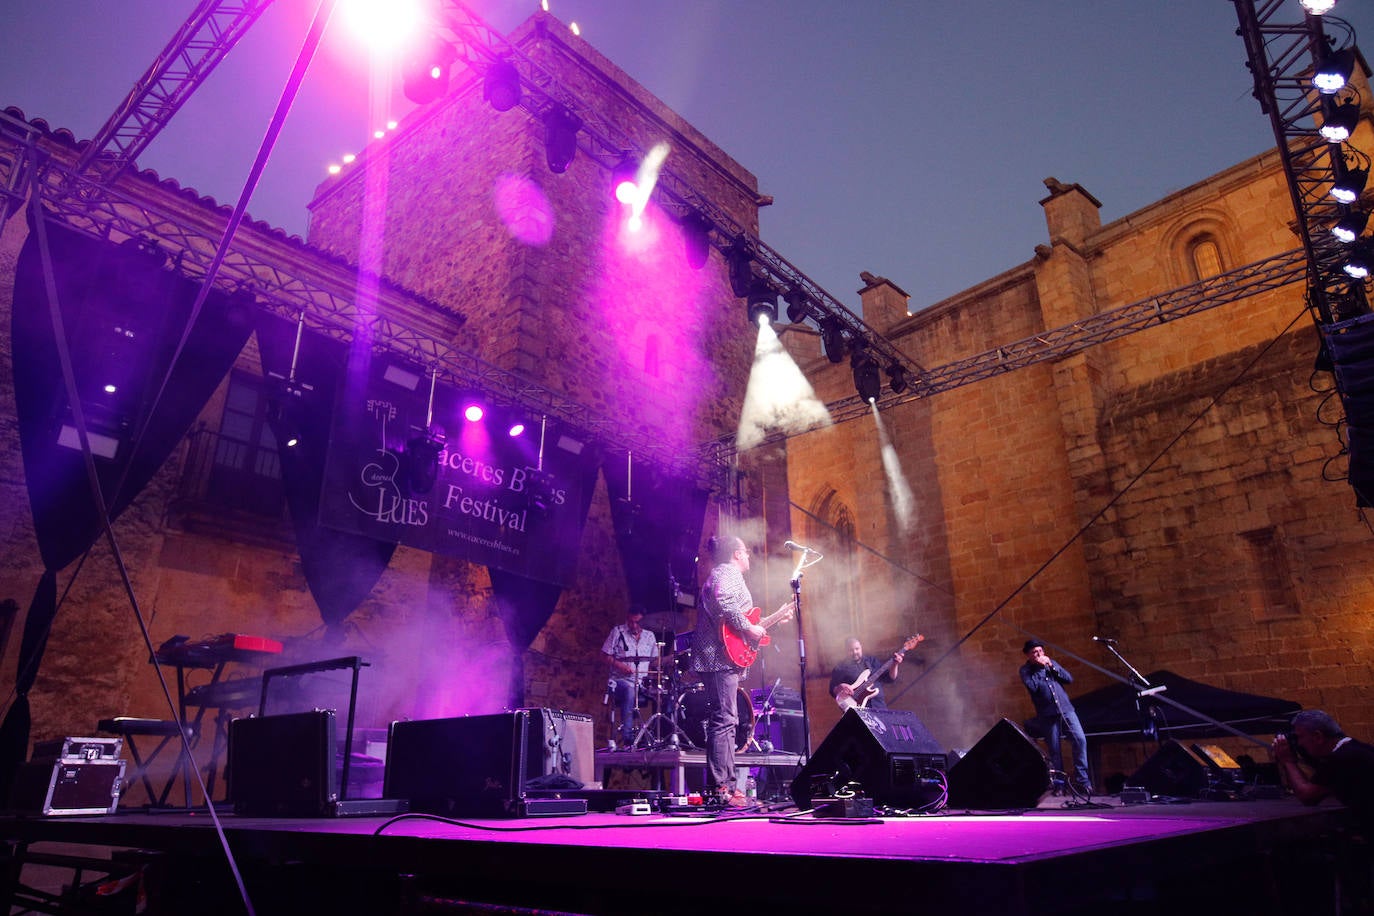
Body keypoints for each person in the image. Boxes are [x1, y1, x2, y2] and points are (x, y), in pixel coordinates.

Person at [692, 535, 792, 806]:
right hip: (718, 657)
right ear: (737, 554)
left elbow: (741, 621)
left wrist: (768, 623)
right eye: (746, 552)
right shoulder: (727, 573)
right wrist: (750, 628)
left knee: (727, 720)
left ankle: (727, 787)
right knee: (724, 719)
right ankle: (723, 788)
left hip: (722, 657)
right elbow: (724, 602)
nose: (749, 557)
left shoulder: (725, 574)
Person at [1272, 709, 1374, 835]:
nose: (1299, 743)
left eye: (1300, 737)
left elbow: (1307, 796)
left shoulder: (1342, 758)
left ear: (1318, 737)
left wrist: (1288, 761)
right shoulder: (1357, 749)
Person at [1019, 638, 1091, 795]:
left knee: (1080, 740)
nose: (1039, 654)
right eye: (1034, 652)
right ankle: (1060, 786)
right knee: (1054, 750)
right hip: (1047, 714)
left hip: (1066, 710)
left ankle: (1083, 782)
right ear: (1028, 655)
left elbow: (1068, 679)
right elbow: (1033, 687)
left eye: (1040, 651)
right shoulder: (1025, 671)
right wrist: (1040, 668)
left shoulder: (1051, 664)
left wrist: (1051, 666)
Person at [600, 605, 659, 748]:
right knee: (629, 690)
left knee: (663, 694)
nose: (633, 625)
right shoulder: (617, 632)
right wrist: (621, 666)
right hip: (620, 681)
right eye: (630, 621)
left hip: (642, 682)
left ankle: (658, 738)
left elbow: (655, 661)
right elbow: (603, 656)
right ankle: (628, 738)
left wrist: (669, 660)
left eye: (637, 622)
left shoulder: (650, 636)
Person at [829, 637, 905, 711]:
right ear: (845, 651)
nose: (855, 652)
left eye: (857, 649)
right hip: (857, 709)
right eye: (851, 650)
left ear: (861, 648)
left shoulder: (872, 661)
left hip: (878, 706)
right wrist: (840, 687)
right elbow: (832, 689)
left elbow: (890, 678)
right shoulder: (840, 667)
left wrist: (895, 664)